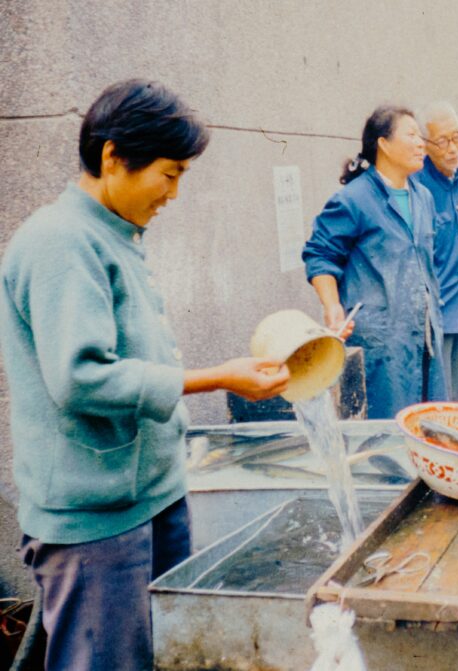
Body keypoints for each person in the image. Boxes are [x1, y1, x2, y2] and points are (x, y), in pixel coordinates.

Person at [0, 80, 291, 670]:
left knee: (161, 656)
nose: (174, 193)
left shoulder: (112, 233)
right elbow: (81, 378)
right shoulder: (60, 241)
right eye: (169, 174)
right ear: (113, 156)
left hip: (149, 496)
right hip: (95, 520)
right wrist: (216, 377)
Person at [303, 105, 448, 419]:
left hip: (426, 336)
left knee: (430, 424)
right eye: (411, 135)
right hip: (381, 342)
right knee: (385, 430)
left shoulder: (423, 197)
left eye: (420, 136)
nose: (421, 143)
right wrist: (332, 306)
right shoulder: (353, 199)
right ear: (384, 144)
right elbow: (320, 254)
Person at [412, 102, 458, 402]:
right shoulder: (416, 183)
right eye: (443, 141)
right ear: (425, 144)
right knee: (437, 398)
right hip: (435, 307)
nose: (453, 148)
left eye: (457, 137)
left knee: (456, 394)